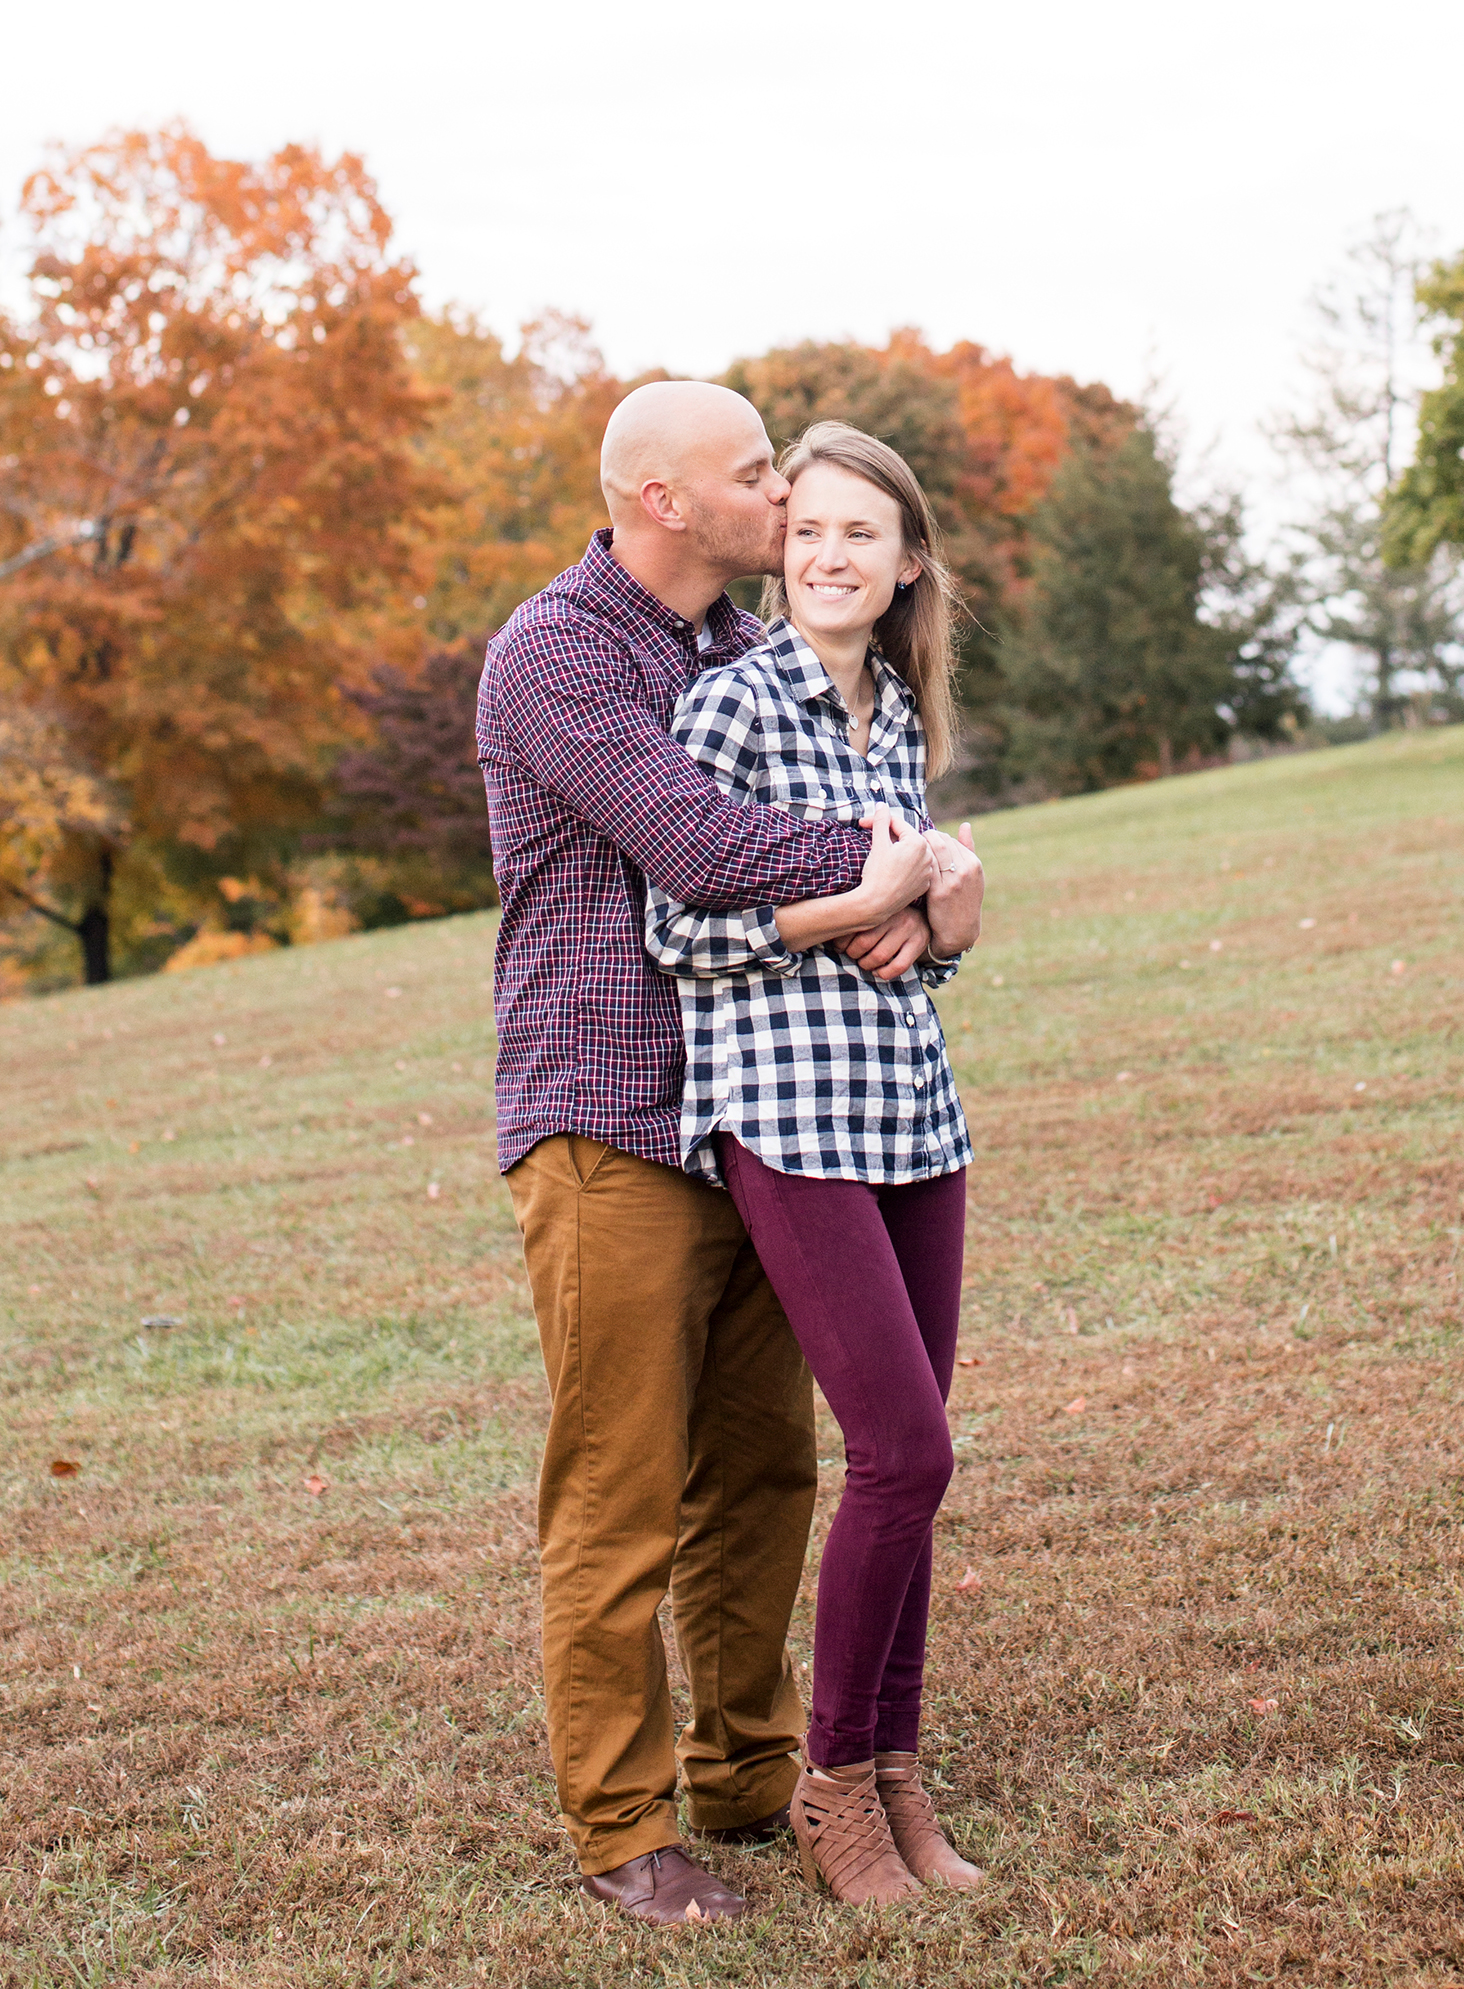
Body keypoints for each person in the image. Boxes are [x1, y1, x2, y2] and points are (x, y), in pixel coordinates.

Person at [476, 382, 936, 1927]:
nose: (781, 494)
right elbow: (699, 842)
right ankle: (625, 1828)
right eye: (755, 476)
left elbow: (857, 790)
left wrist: (936, 867)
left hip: (756, 1119)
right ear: (665, 501)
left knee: (765, 1466)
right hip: (606, 1119)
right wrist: (902, 868)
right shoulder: (555, 653)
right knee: (622, 1490)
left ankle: (750, 1769)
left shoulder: (741, 651)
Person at [645, 420, 986, 1908]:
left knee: (912, 1472)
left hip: (911, 1113)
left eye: (862, 534)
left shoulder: (898, 718)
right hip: (786, 1121)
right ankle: (832, 1785)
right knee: (904, 1451)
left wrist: (933, 916)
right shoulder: (728, 707)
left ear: (907, 559)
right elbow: (682, 935)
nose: (830, 555)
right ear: (779, 554)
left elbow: (907, 951)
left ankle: (902, 1778)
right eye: (808, 532)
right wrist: (862, 891)